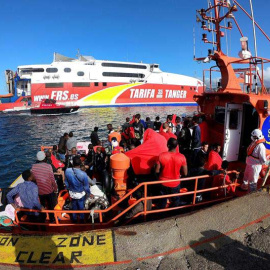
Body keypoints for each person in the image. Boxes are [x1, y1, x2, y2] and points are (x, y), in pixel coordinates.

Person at [155, 138, 188, 208]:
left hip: (163, 183)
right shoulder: (182, 157)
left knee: (162, 202)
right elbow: (185, 173)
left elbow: (156, 171)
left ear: (167, 145)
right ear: (177, 146)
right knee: (175, 201)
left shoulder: (161, 155)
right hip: (175, 183)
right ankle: (173, 214)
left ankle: (161, 214)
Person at [32, 151, 58, 222]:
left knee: (42, 205)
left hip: (39, 191)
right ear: (44, 158)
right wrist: (55, 188)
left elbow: (33, 179)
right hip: (49, 190)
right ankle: (52, 219)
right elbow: (52, 179)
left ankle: (43, 219)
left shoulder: (33, 167)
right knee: (50, 205)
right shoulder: (48, 166)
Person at [65, 156, 93, 222]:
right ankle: (82, 220)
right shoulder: (83, 174)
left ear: (72, 163)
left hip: (72, 192)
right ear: (80, 164)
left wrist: (68, 189)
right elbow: (86, 187)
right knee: (81, 207)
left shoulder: (67, 171)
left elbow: (66, 182)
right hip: (80, 193)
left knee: (74, 206)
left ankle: (74, 219)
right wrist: (89, 194)